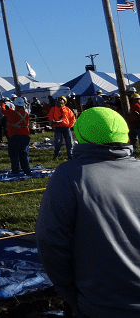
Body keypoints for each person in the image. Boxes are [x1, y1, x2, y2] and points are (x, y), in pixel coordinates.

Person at [36, 106, 140, 317]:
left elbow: (50, 239)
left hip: (101, 304)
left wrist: (66, 291)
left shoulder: (70, 175)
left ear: (80, 135)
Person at [0, 97, 32, 175]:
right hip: (25, 136)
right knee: (24, 154)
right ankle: (27, 171)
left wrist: (2, 104)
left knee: (14, 155)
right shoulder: (26, 114)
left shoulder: (12, 113)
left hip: (14, 136)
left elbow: (3, 110)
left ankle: (15, 171)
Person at [48, 95, 76, 161]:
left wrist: (70, 125)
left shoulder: (67, 109)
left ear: (64, 101)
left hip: (66, 128)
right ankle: (57, 154)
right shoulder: (53, 108)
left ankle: (70, 156)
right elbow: (50, 116)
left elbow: (72, 118)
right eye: (58, 100)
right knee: (58, 142)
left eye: (61, 100)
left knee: (69, 142)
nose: (59, 101)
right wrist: (53, 121)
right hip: (58, 128)